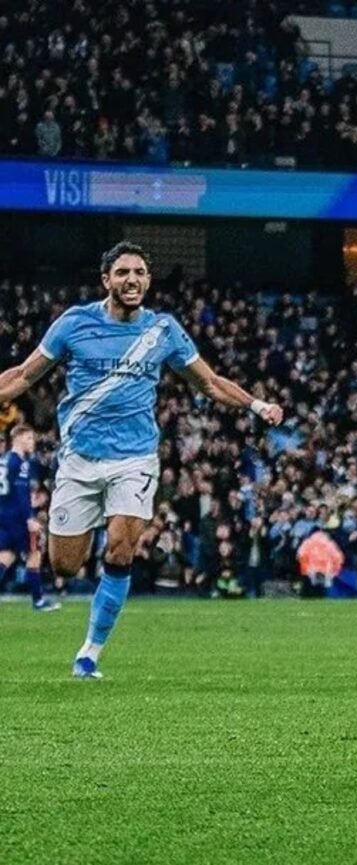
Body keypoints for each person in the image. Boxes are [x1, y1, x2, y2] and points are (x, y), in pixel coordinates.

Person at [0, 242, 284, 678]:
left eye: (139, 272)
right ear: (106, 280)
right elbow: (22, 375)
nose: (131, 279)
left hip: (135, 459)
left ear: (148, 281)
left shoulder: (163, 330)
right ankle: (88, 546)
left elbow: (209, 383)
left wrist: (256, 405)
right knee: (65, 565)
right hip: (78, 458)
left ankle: (90, 652)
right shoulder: (74, 323)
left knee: (121, 549)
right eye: (122, 272)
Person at [0, 425, 56, 611]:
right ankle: (38, 601)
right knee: (34, 554)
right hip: (18, 517)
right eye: (29, 438)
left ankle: (39, 601)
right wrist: (30, 519)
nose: (33, 442)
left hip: (3, 515)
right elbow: (22, 494)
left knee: (6, 556)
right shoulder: (21, 463)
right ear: (18, 438)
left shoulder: (3, 460)